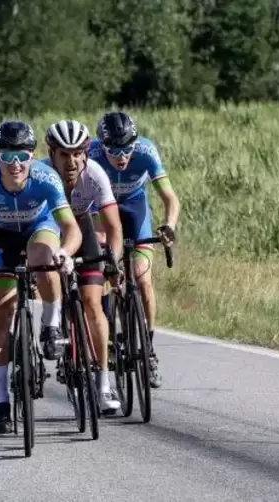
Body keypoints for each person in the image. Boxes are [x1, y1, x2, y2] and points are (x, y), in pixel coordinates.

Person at [0, 120, 82, 434]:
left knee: (45, 257)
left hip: (37, 229)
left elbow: (71, 229)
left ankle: (51, 324)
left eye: (23, 156)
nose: (15, 164)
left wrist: (66, 253)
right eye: (7, 156)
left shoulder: (46, 177)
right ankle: (1, 400)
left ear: (33, 155)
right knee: (1, 312)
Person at [88, 111, 180, 388]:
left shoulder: (146, 151)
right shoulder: (91, 155)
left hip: (133, 207)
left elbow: (170, 198)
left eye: (127, 148)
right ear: (102, 145)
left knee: (142, 277)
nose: (121, 155)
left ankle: (148, 349)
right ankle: (107, 338)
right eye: (114, 150)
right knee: (105, 268)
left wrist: (168, 226)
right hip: (101, 209)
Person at [41, 119, 123, 413]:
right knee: (51, 282)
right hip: (50, 229)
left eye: (78, 153)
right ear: (51, 154)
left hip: (83, 227)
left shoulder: (96, 174)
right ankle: (53, 324)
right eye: (64, 154)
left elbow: (113, 227)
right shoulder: (40, 174)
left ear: (86, 152)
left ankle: (102, 384)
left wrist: (112, 262)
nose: (72, 161)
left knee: (92, 303)